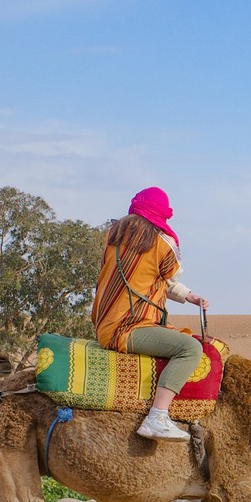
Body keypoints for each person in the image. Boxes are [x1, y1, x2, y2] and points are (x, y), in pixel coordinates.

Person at [93, 188, 210, 442]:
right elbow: (170, 274)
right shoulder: (163, 243)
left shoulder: (113, 235)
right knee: (190, 348)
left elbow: (147, 278)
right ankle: (157, 416)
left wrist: (188, 296)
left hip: (105, 326)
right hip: (130, 328)